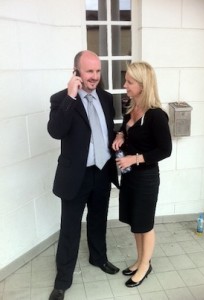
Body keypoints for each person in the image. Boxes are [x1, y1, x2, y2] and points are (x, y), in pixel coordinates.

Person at [47, 50, 120, 300]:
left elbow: (108, 131)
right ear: (76, 72)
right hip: (75, 176)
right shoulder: (61, 99)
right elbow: (55, 131)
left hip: (102, 171)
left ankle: (99, 258)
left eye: (98, 71)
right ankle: (62, 280)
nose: (95, 76)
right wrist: (71, 96)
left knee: (98, 220)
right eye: (89, 71)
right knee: (70, 227)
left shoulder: (107, 98)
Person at [112, 61, 172, 288]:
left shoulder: (157, 115)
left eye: (129, 82)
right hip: (130, 177)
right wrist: (120, 135)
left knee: (145, 224)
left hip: (146, 178)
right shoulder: (131, 106)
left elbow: (165, 150)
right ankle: (140, 260)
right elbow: (128, 129)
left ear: (143, 85)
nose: (125, 85)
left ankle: (146, 266)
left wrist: (134, 158)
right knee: (136, 222)